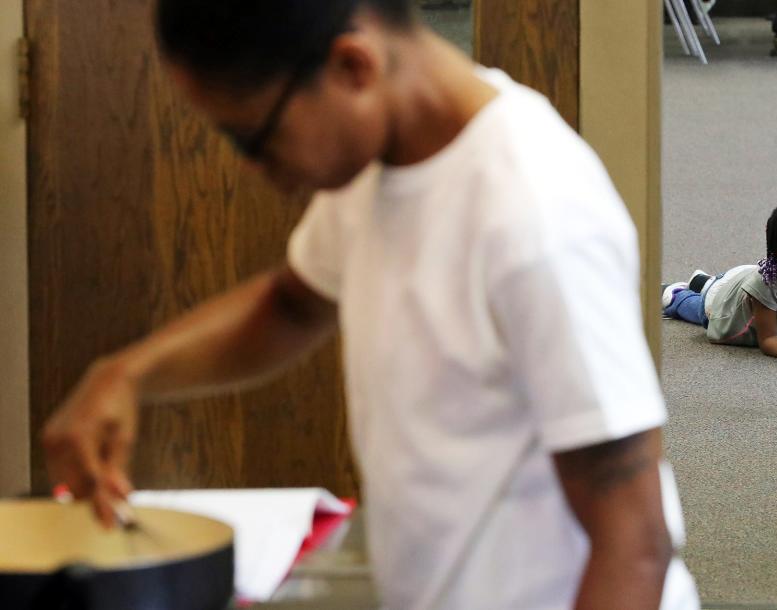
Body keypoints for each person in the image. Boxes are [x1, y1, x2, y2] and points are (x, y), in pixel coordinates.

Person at [42, 1, 700, 608]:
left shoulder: (536, 220)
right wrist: (126, 374)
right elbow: (293, 305)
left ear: (352, 65)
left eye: (253, 138)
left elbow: (633, 543)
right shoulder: (383, 156)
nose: (249, 168)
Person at [662, 197, 777, 366]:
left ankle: (703, 282)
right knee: (700, 308)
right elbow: (768, 340)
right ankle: (675, 294)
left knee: (719, 286)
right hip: (723, 304)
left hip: (746, 284)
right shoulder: (768, 282)